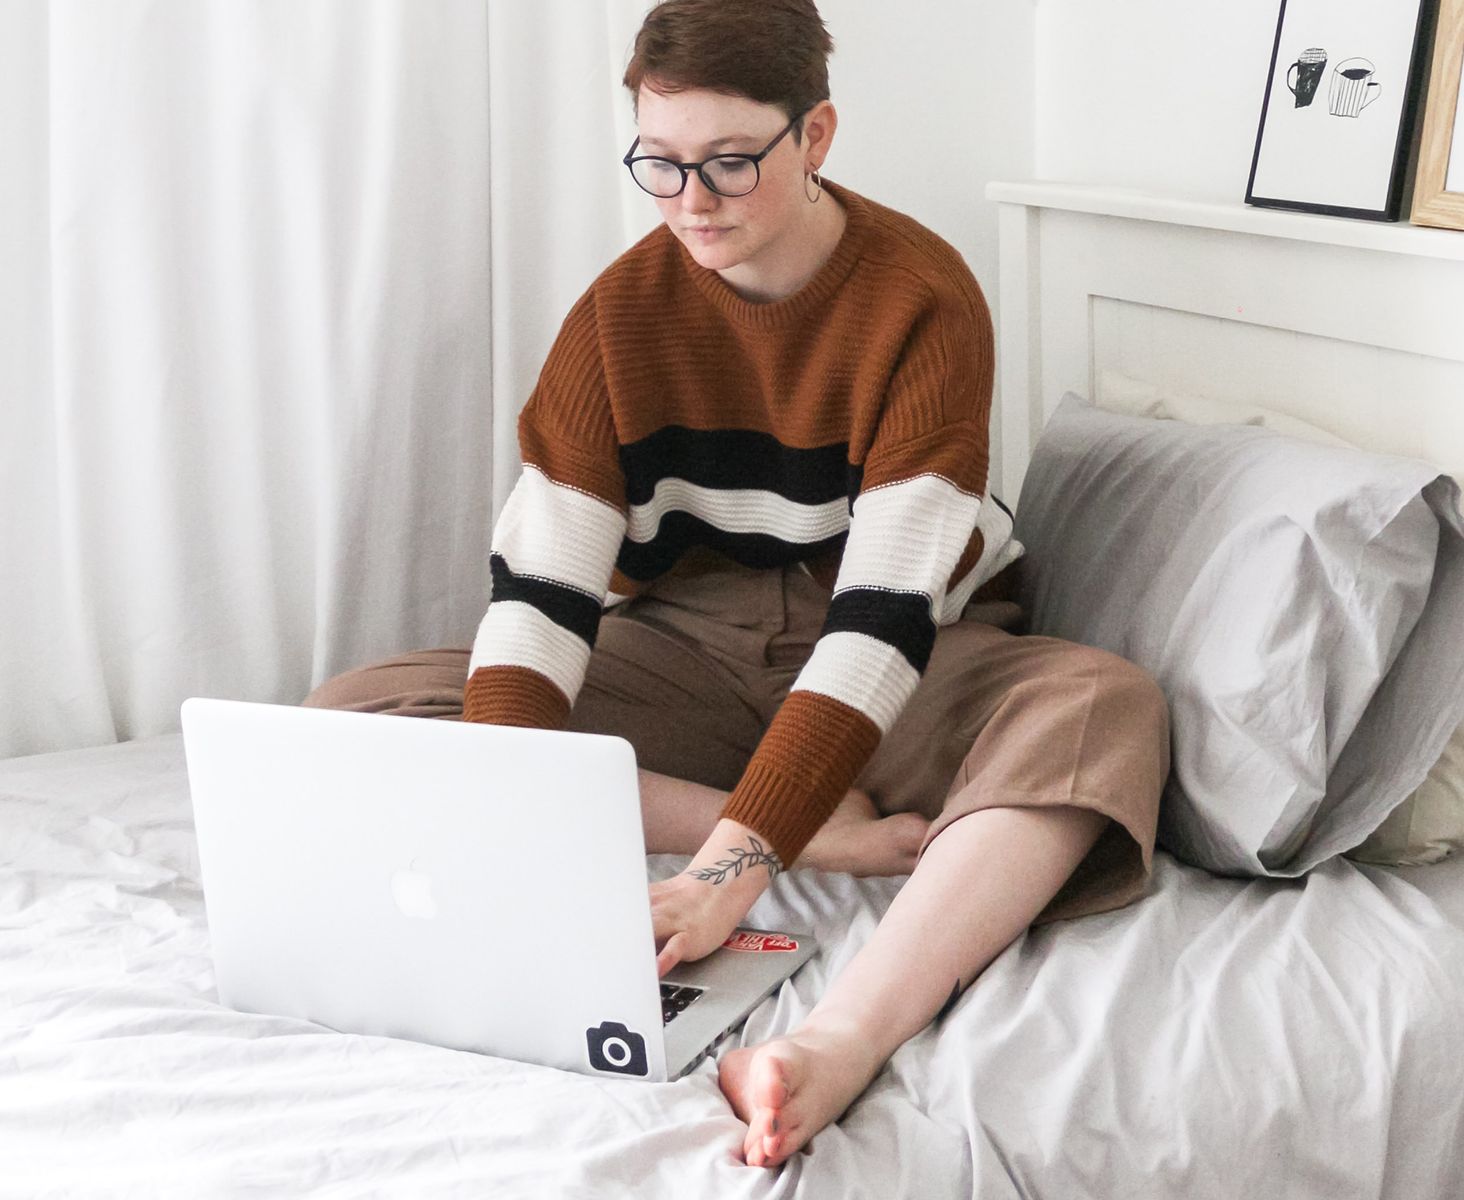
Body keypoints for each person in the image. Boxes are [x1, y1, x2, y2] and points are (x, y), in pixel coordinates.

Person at [305, 0, 1166, 1168]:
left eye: (726, 163)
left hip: (900, 647)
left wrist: (724, 879)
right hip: (690, 641)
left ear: (813, 136)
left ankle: (838, 1043)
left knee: (1102, 710)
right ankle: (817, 830)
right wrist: (506, 825)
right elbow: (542, 602)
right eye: (658, 166)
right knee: (360, 714)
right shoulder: (616, 318)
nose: (689, 202)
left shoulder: (923, 295)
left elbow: (879, 623)